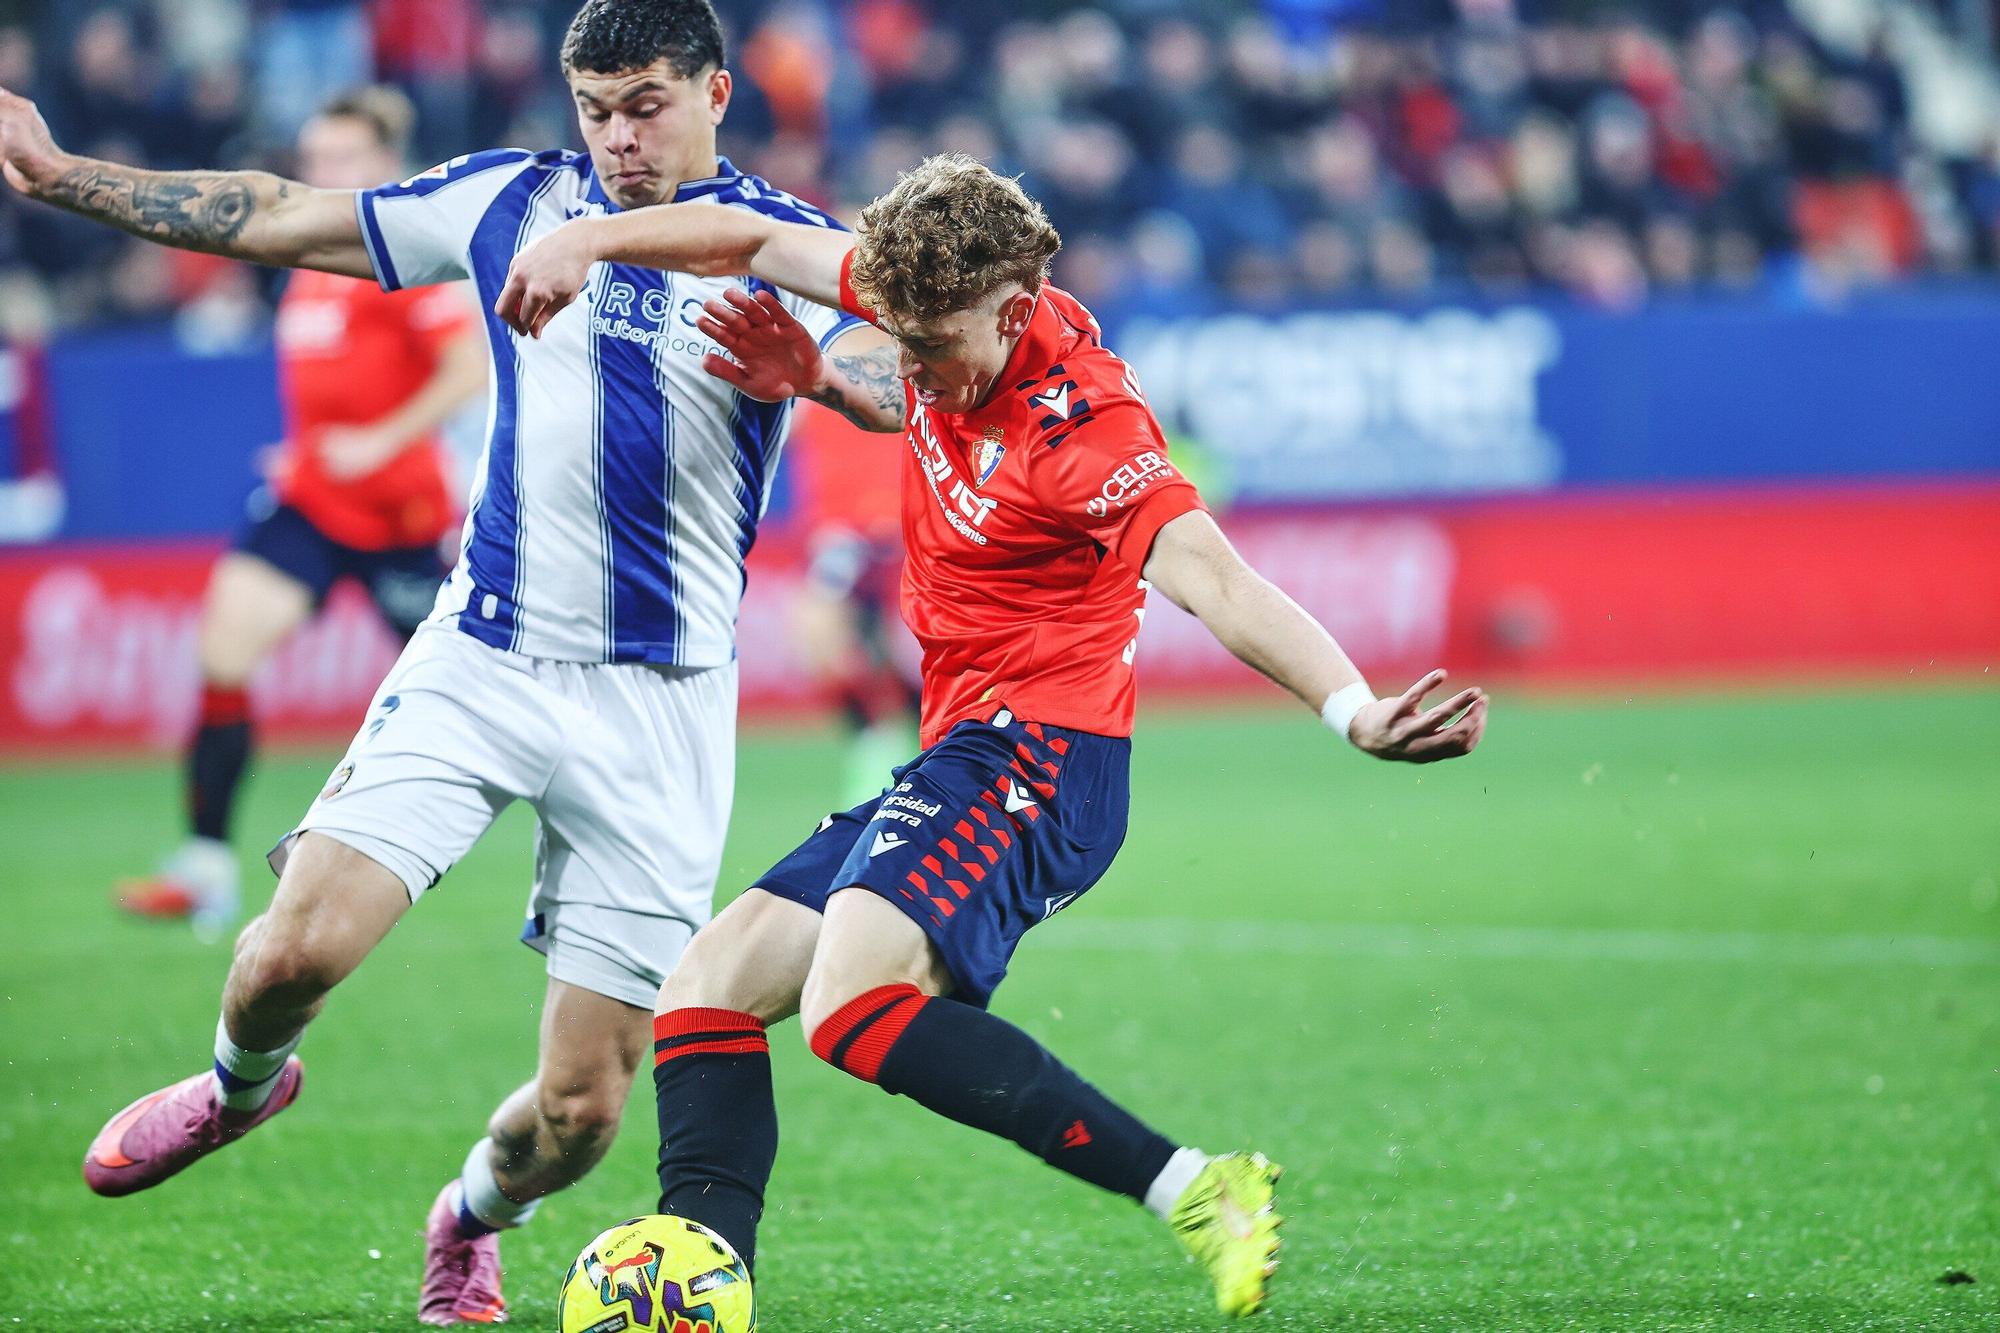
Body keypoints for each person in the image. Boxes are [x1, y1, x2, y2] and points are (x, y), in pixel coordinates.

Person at [0, 1, 895, 1324]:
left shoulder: (775, 239)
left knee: (587, 1106)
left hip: (663, 705)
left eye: (646, 105)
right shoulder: (509, 200)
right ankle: (239, 1089)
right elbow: (283, 212)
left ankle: (473, 1212)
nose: (619, 138)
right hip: (485, 655)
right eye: (597, 109)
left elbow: (902, 368)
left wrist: (813, 373)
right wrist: (69, 177)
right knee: (283, 957)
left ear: (715, 91)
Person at [496, 153, 1489, 1317]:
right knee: (704, 989)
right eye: (897, 338)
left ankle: (1196, 1187)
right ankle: (704, 1273)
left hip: (1044, 759)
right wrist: (644, 275)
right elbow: (751, 239)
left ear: (1014, 310)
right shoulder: (925, 290)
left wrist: (1352, 708)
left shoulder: (1087, 434)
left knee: (849, 1010)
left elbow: (1215, 579)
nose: (912, 368)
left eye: (930, 347)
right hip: (962, 746)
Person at [117, 86, 486, 936]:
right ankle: (206, 865)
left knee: (466, 694)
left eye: (343, 158)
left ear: (383, 166)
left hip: (399, 516)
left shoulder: (405, 255)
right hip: (312, 502)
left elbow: (466, 373)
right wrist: (313, 452)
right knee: (223, 647)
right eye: (315, 158)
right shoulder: (311, 261)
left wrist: (377, 442)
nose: (323, 173)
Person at [785, 402, 921, 807]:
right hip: (836, 533)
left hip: (901, 524)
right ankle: (876, 745)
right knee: (824, 648)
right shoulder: (809, 374)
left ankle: (933, 751)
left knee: (911, 651)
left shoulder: (905, 368)